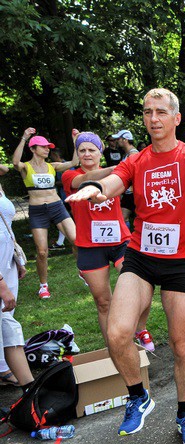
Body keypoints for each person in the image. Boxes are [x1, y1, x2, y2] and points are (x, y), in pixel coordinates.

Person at [65, 88, 185, 444]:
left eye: (160, 112)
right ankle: (138, 396)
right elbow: (114, 182)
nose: (153, 118)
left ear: (176, 118)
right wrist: (96, 188)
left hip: (180, 262)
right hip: (140, 255)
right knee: (117, 332)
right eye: (146, 112)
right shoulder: (137, 160)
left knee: (181, 345)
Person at [61, 132, 154, 351]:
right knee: (103, 302)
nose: (86, 154)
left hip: (120, 241)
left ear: (99, 152)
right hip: (90, 248)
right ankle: (115, 349)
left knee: (142, 286)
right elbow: (84, 180)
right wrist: (119, 168)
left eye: (91, 149)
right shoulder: (70, 176)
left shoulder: (116, 176)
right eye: (81, 150)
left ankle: (140, 328)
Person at [11, 128, 79, 299]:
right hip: (38, 210)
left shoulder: (52, 166)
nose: (47, 149)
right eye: (43, 147)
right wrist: (24, 137)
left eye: (48, 147)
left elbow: (74, 162)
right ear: (33, 149)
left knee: (78, 241)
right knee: (42, 251)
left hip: (57, 206)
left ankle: (83, 271)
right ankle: (43, 286)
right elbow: (14, 162)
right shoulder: (26, 167)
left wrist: (75, 140)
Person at [0, 180, 33, 390]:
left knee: (6, 318)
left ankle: (4, 366)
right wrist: (1, 285)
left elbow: (6, 223)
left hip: (7, 259)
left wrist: (15, 256)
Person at [114, 129, 140, 228]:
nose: (117, 141)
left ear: (125, 140)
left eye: (119, 139)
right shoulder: (127, 154)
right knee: (122, 218)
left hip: (133, 193)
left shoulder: (133, 154)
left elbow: (135, 174)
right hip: (129, 193)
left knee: (123, 218)